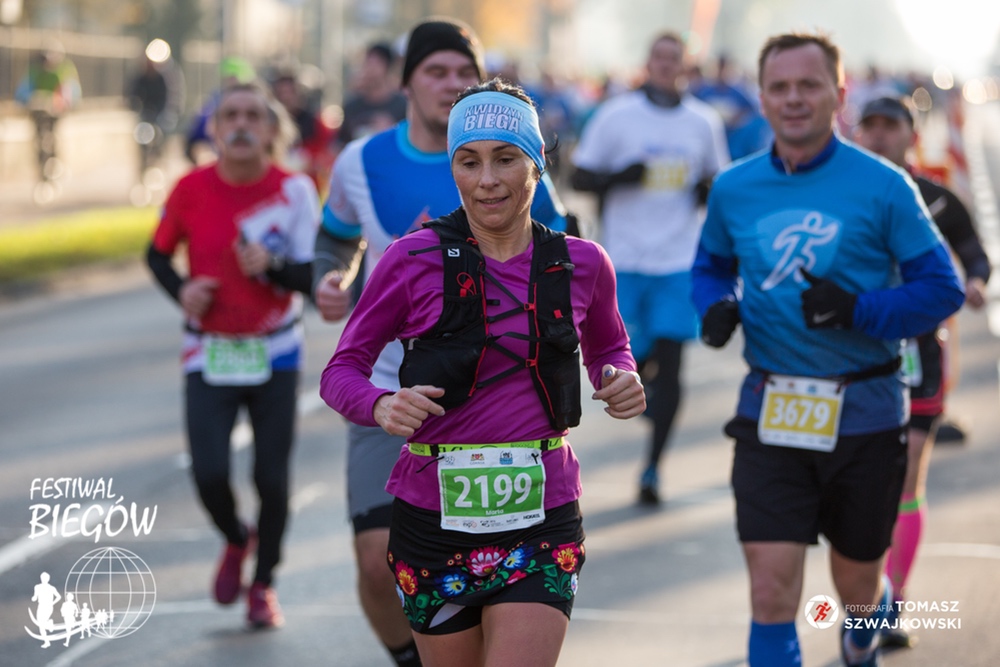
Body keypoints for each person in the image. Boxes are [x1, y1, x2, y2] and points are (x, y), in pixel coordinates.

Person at [321, 77, 644, 667]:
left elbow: (610, 348)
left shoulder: (583, 263)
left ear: (537, 162)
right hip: (432, 521)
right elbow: (341, 371)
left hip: (541, 518)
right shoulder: (409, 259)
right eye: (469, 162)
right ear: (453, 169)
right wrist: (380, 404)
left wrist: (620, 376)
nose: (487, 179)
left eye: (506, 158)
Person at [691, 33, 964, 667]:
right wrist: (716, 305)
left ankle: (866, 629)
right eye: (780, 87)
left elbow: (943, 289)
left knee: (857, 589)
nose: (793, 99)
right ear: (762, 98)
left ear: (838, 95)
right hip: (770, 410)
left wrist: (858, 310)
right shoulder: (734, 187)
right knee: (770, 591)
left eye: (808, 85)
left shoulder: (885, 186)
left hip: (865, 413)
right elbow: (710, 267)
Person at [312, 18, 571, 666]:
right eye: (437, 71)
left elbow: (564, 263)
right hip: (397, 393)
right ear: (408, 83)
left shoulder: (516, 161)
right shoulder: (361, 161)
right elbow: (335, 240)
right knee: (375, 563)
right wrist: (330, 277)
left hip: (504, 407)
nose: (452, 83)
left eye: (465, 72)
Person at [146, 81, 318, 629]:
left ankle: (263, 585)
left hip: (276, 351)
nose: (241, 125)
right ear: (215, 130)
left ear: (270, 130)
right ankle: (235, 536)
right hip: (209, 351)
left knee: (271, 478)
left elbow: (315, 276)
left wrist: (272, 267)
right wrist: (182, 291)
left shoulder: (295, 191)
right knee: (208, 472)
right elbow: (156, 255)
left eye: (252, 116)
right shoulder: (190, 188)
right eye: (230, 116)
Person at [853, 95, 991, 649]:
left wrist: (976, 280)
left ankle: (890, 604)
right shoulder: (841, 194)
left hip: (919, 355)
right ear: (857, 133)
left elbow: (973, 252)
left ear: (911, 135)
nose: (879, 135)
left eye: (891, 126)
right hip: (853, 353)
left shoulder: (935, 198)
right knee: (861, 483)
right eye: (870, 126)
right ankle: (862, 596)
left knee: (906, 477)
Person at [570, 31, 729, 505]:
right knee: (630, 365)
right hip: (624, 260)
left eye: (673, 58)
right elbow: (580, 175)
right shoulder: (616, 115)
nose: (665, 64)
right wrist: (619, 176)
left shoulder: (703, 122)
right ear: (647, 62)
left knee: (672, 362)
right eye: (658, 56)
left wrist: (705, 189)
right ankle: (650, 406)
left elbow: (718, 183)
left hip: (678, 259)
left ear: (685, 65)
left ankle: (653, 469)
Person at [15, 42, 81, 184]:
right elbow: (23, 90)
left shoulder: (65, 69)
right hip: (38, 111)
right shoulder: (35, 70)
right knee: (39, 139)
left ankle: (56, 162)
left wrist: (61, 101)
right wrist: (31, 99)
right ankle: (41, 169)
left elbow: (71, 90)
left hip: (55, 112)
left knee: (54, 137)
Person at [270, 67, 337, 193]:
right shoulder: (268, 124)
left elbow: (326, 154)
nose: (286, 98)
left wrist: (310, 159)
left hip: (311, 186)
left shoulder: (315, 123)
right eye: (281, 93)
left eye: (290, 92)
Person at [185, 56, 257, 164]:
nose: (241, 123)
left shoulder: (257, 101)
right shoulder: (214, 102)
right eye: (231, 115)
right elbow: (197, 135)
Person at [338, 42, 408, 146]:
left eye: (376, 63)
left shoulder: (403, 105)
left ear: (387, 67)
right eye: (368, 62)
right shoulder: (351, 106)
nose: (370, 69)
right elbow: (340, 143)